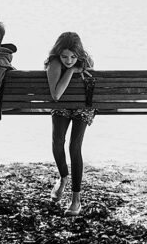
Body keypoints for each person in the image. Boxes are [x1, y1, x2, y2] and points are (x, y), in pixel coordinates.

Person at [45, 32, 96, 217]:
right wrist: (72, 71)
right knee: (58, 142)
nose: (68, 60)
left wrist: (77, 66)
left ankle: (76, 200)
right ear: (58, 53)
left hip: (82, 108)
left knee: (75, 147)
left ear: (79, 53)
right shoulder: (54, 63)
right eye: (65, 56)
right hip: (62, 107)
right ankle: (63, 177)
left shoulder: (86, 60)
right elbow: (56, 96)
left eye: (73, 57)